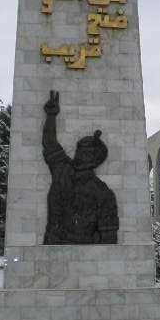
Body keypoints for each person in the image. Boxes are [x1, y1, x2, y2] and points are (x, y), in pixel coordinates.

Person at [42, 90, 119, 244]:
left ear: (94, 160)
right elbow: (50, 143)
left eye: (84, 153)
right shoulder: (62, 169)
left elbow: (109, 240)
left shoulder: (103, 194)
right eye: (78, 150)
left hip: (83, 254)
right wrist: (51, 116)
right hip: (51, 246)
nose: (78, 155)